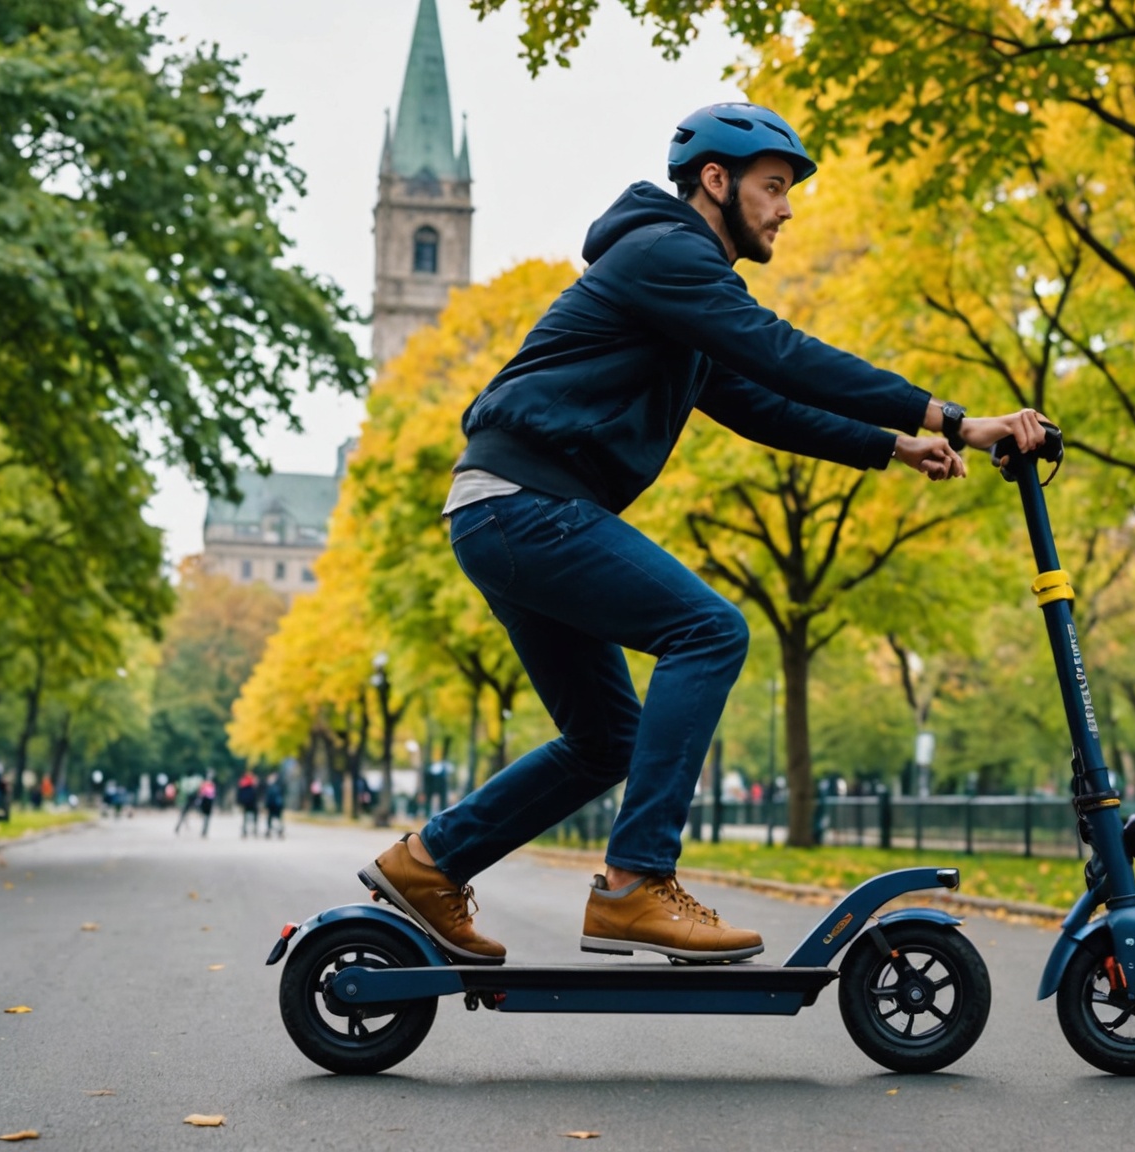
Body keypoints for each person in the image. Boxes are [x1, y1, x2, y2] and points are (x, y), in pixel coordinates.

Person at [360, 102, 1050, 966]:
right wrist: (951, 413)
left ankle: (430, 866)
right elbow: (783, 353)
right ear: (715, 182)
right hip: (525, 504)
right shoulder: (666, 253)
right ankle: (636, 883)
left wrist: (893, 445)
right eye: (772, 188)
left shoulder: (675, 288)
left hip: (507, 508)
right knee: (710, 629)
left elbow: (759, 401)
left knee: (607, 738)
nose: (786, 209)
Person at [236, 770, 260, 838]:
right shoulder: (252, 781)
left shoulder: (243, 781)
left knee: (246, 816)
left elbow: (239, 792)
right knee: (252, 816)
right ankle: (251, 830)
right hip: (251, 802)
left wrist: (239, 801)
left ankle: (246, 830)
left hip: (247, 802)